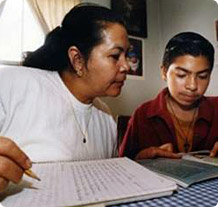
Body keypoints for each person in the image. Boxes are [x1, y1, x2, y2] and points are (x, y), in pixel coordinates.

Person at [0, 3, 130, 192]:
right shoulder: (14, 84)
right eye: (115, 56)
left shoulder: (106, 117)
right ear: (77, 59)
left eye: (127, 55)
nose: (126, 66)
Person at [119, 32, 218, 160]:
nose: (192, 86)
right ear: (164, 72)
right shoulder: (143, 114)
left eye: (202, 76)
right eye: (182, 75)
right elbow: (122, 166)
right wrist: (142, 157)